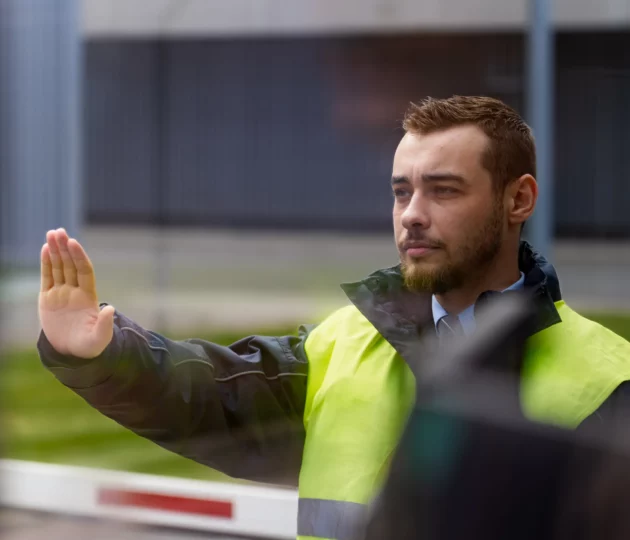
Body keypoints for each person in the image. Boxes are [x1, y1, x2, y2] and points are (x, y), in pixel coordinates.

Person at [38, 96, 630, 540]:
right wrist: (102, 352)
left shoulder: (609, 380)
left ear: (518, 200)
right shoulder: (344, 342)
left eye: (443, 191)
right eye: (402, 192)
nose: (412, 216)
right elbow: (212, 394)